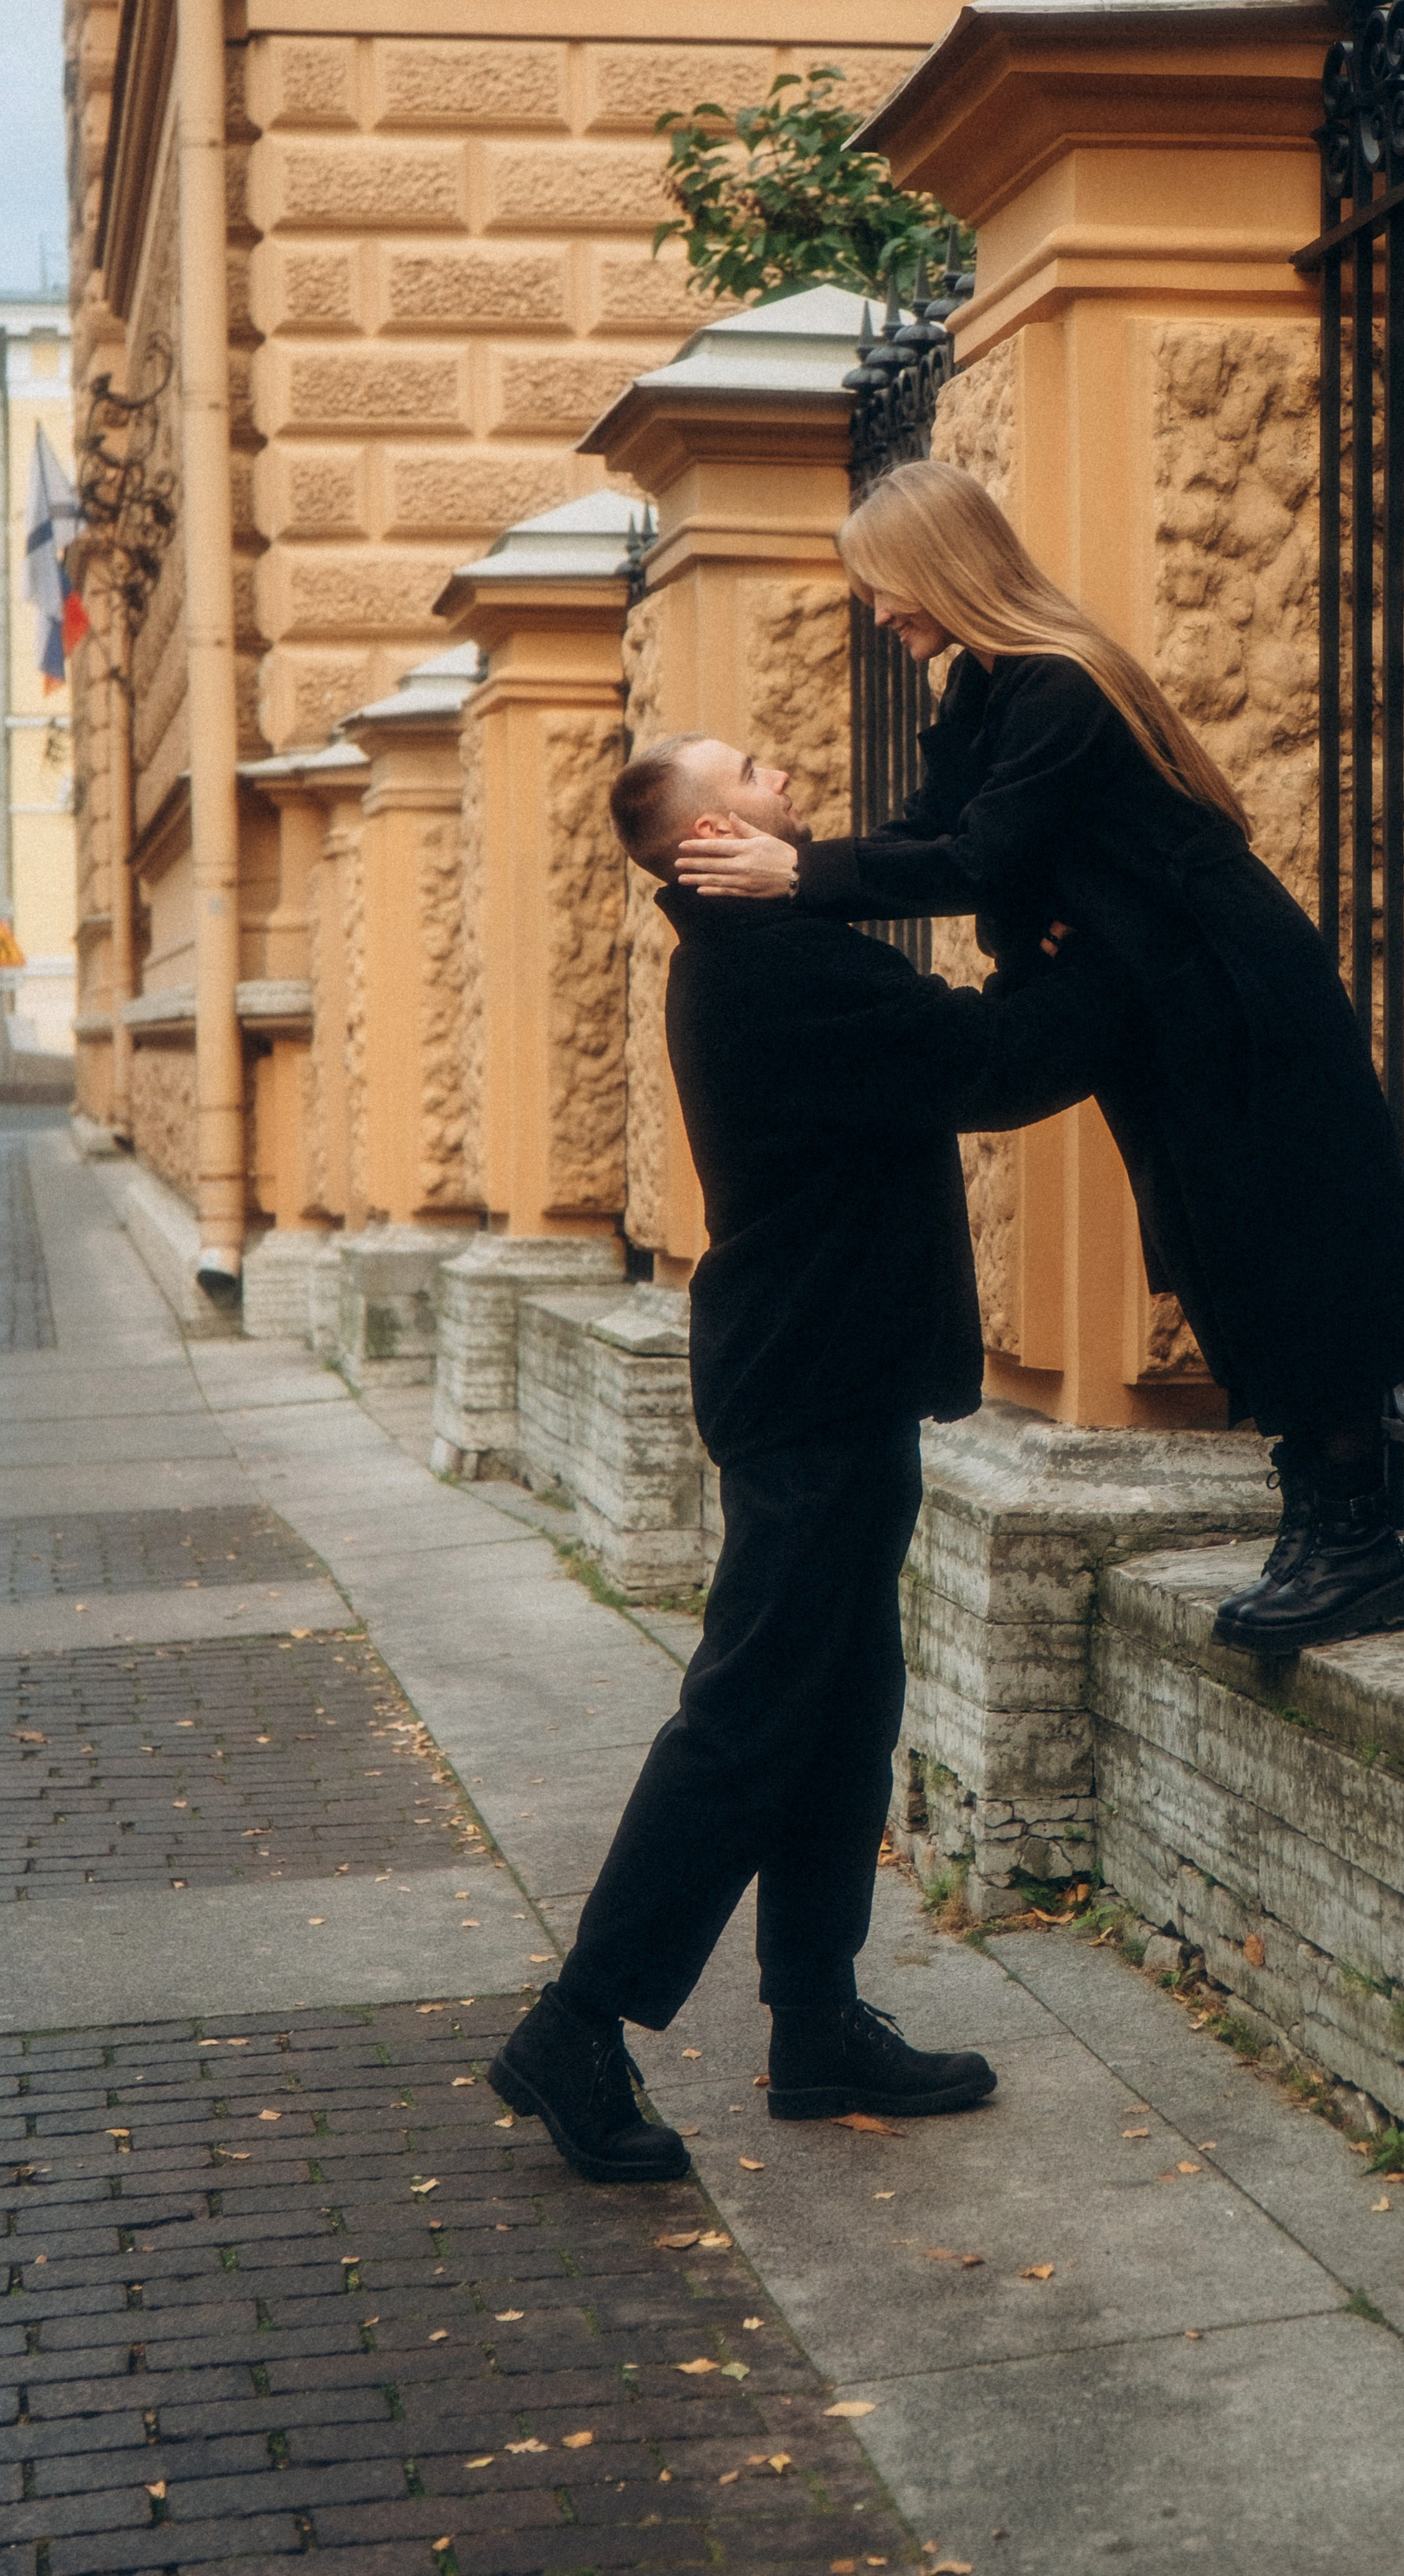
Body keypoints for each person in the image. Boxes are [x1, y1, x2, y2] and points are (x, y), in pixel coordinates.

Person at [675, 458, 1404, 1661]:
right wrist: (799, 897)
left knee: (1289, 1244)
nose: (880, 615)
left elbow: (986, 855)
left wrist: (805, 876)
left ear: (945, 567)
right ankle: (1320, 1526)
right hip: (1155, 997)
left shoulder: (1059, 686)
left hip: (1232, 994)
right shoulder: (987, 692)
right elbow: (940, 835)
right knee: (1216, 1248)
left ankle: (1360, 1547)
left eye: (886, 589)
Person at [489, 729, 1117, 2185]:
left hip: (831, 1373)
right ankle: (578, 2023)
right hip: (816, 1382)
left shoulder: (766, 943)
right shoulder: (778, 966)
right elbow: (987, 1060)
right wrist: (1112, 962)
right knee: (752, 1715)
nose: (786, 770)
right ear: (709, 834)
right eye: (756, 770)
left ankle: (817, 2021)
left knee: (842, 1705)